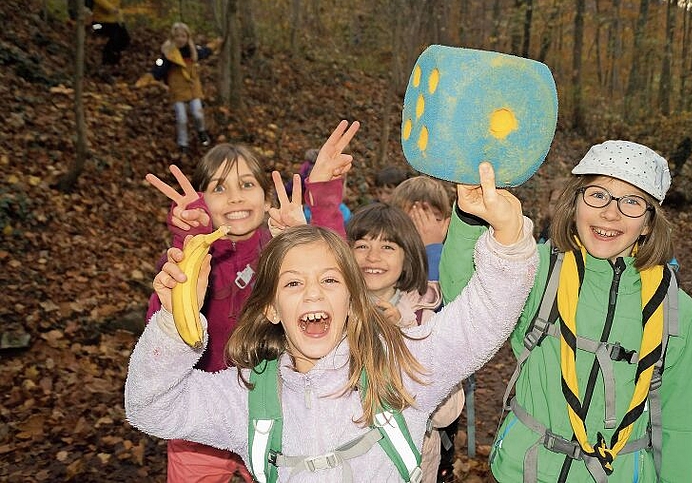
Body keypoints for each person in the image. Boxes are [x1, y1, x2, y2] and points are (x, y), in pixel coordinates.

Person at [125, 162, 539, 482]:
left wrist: (507, 234)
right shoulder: (247, 395)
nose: (312, 293)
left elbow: (484, 315)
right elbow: (151, 406)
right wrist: (174, 324)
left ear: (352, 299)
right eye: (292, 283)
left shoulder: (401, 366)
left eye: (328, 279)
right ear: (270, 308)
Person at [440, 141, 692, 482]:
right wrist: (470, 216)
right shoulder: (537, 271)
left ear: (650, 223)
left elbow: (679, 426)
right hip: (524, 472)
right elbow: (464, 299)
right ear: (575, 202)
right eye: (598, 195)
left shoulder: (676, 310)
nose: (611, 213)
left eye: (632, 202)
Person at [142, 120, 359, 483]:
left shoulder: (278, 255)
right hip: (202, 417)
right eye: (219, 188)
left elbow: (336, 282)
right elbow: (163, 331)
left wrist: (321, 198)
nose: (236, 197)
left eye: (247, 185)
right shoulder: (193, 258)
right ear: (201, 201)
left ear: (264, 196)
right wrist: (189, 242)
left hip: (274, 410)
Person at [345, 202, 464, 483]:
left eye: (388, 247)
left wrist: (405, 332)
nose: (373, 257)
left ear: (407, 258)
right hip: (350, 461)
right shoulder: (332, 313)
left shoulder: (425, 318)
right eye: (362, 245)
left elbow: (447, 413)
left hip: (414, 461)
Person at [152, 22, 213, 152]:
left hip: (192, 88)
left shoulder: (193, 50)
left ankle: (201, 131)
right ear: (173, 38)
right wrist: (154, 74)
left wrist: (217, 44)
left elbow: (206, 51)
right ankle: (183, 143)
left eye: (183, 36)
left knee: (198, 113)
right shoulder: (169, 54)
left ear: (188, 37)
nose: (180, 39)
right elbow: (159, 69)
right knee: (181, 118)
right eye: (177, 36)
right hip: (177, 89)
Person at [89, 0, 130, 67]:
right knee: (115, 37)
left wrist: (121, 19)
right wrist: (109, 8)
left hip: (112, 21)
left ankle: (113, 60)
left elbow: (116, 4)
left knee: (125, 39)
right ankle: (108, 62)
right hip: (97, 24)